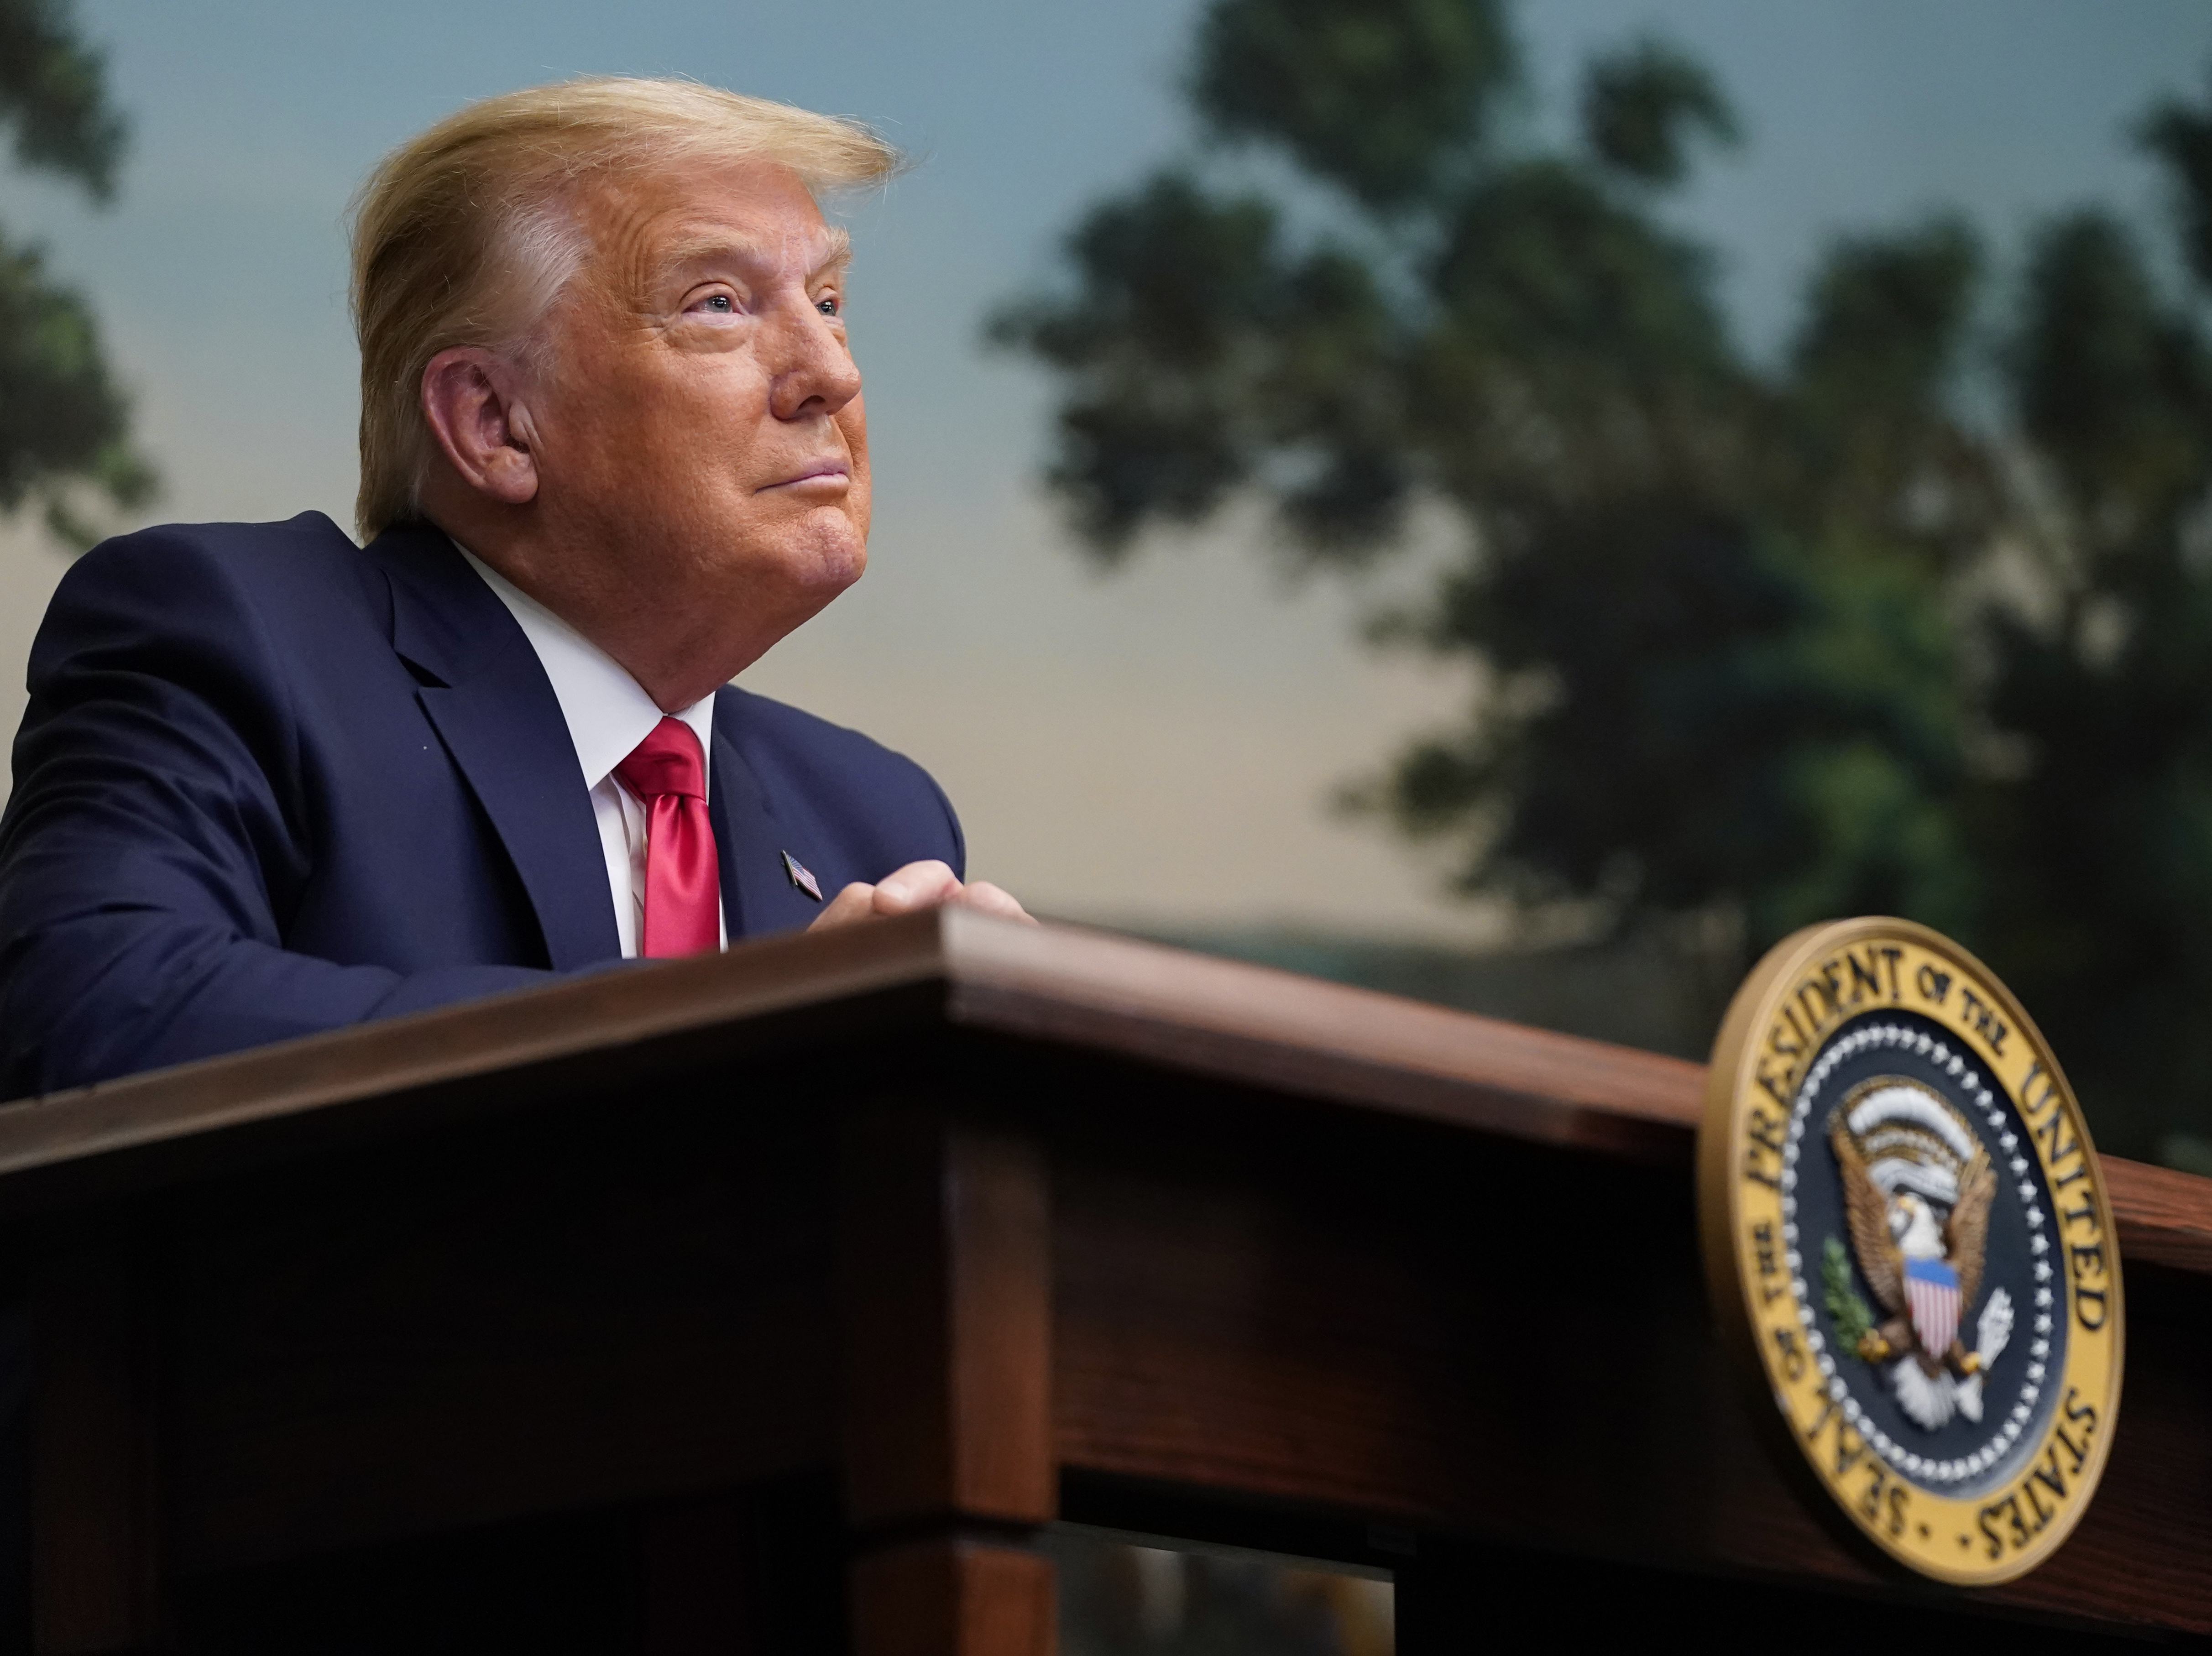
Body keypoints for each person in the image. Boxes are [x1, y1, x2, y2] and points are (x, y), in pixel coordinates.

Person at [0, 78, 1029, 1100]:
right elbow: (86, 1007)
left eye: (831, 302)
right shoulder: (236, 636)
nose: (830, 374)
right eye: (718, 303)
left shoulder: (875, 815)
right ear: (494, 424)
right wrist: (736, 1039)